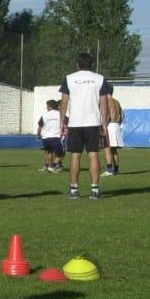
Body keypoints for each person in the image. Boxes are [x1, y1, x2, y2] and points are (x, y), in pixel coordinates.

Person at [59, 52, 110, 199]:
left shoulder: (69, 78)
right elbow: (104, 104)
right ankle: (95, 189)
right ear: (91, 64)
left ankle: (74, 190)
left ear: (77, 64)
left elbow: (64, 101)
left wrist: (62, 122)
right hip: (93, 123)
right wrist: (104, 124)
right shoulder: (99, 79)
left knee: (75, 156)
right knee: (93, 154)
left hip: (75, 123)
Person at [37, 99, 65, 173]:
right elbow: (66, 123)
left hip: (45, 138)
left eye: (47, 106)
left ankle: (48, 166)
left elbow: (40, 127)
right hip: (55, 137)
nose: (46, 107)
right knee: (61, 154)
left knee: (49, 152)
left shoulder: (44, 115)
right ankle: (52, 166)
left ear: (50, 107)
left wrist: (39, 135)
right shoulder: (60, 114)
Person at [103, 89, 124, 176]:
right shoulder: (117, 101)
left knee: (107, 148)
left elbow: (107, 115)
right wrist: (118, 123)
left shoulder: (107, 101)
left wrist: (103, 126)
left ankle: (109, 170)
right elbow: (122, 115)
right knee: (114, 150)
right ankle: (116, 170)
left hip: (109, 126)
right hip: (116, 125)